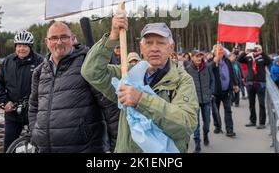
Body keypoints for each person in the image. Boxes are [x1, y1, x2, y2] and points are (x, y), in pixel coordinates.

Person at [81, 11, 199, 153]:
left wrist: (141, 100)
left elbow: (185, 124)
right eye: (149, 43)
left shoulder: (182, 80)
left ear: (170, 48)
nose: (154, 48)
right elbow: (91, 72)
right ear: (141, 48)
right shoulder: (127, 73)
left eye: (161, 43)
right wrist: (112, 37)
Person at [28, 22, 119, 153]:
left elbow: (110, 108)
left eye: (64, 37)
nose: (59, 42)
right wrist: (35, 133)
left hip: (85, 148)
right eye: (53, 38)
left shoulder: (87, 66)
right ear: (46, 42)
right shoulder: (39, 72)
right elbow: (34, 106)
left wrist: (116, 146)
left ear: (72, 38)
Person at [0, 30, 44, 152]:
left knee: (39, 144)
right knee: (9, 146)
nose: (22, 49)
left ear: (30, 47)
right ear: (15, 47)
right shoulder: (7, 61)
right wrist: (4, 101)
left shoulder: (40, 61)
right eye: (19, 46)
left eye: (25, 46)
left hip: (34, 112)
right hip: (13, 112)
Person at [185, 50, 214, 153]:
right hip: (194, 101)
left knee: (207, 122)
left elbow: (212, 81)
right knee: (195, 124)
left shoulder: (207, 67)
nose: (199, 58)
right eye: (197, 56)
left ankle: (206, 134)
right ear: (192, 57)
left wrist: (211, 92)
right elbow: (185, 85)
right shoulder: (188, 70)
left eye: (200, 56)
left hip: (206, 100)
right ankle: (197, 142)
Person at [238, 44, 272, 129]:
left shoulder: (262, 57)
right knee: (251, 103)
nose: (256, 51)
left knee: (261, 103)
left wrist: (262, 53)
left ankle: (262, 122)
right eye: (255, 49)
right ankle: (252, 121)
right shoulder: (249, 58)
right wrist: (245, 52)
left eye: (258, 49)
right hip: (250, 83)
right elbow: (239, 59)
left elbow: (269, 62)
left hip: (260, 83)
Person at [209, 44, 239, 137]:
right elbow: (207, 70)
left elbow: (232, 73)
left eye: (222, 52)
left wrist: (235, 84)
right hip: (215, 92)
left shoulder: (227, 61)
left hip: (227, 91)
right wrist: (214, 62)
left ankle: (229, 130)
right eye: (219, 52)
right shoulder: (211, 61)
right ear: (214, 52)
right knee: (215, 111)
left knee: (228, 110)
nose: (220, 53)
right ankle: (217, 126)